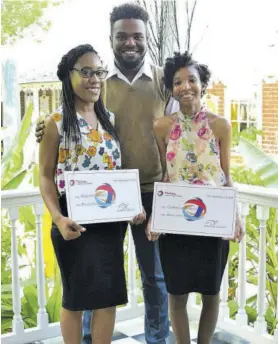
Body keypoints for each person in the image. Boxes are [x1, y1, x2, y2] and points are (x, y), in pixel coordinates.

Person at [36, 4, 172, 344]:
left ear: (146, 39)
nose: (130, 43)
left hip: (149, 194)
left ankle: (156, 339)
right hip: (93, 203)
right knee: (88, 286)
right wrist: (45, 127)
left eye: (137, 36)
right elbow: (65, 123)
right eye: (122, 36)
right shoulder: (98, 84)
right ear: (111, 39)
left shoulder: (162, 82)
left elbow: (180, 126)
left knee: (153, 278)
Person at [39, 44, 145, 344]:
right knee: (75, 298)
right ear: (68, 77)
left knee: (107, 297)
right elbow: (45, 177)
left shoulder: (109, 119)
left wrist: (131, 208)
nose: (94, 79)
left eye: (99, 72)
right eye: (86, 72)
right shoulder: (55, 123)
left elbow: (116, 174)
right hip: (72, 221)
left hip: (110, 221)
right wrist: (58, 218)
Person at [146, 51, 245, 344]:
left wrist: (235, 217)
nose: (185, 86)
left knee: (211, 293)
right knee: (176, 294)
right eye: (177, 82)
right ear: (171, 88)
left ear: (203, 84)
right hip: (177, 221)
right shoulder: (162, 126)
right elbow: (166, 175)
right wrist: (156, 215)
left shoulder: (221, 126)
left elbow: (226, 176)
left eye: (192, 80)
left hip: (213, 221)